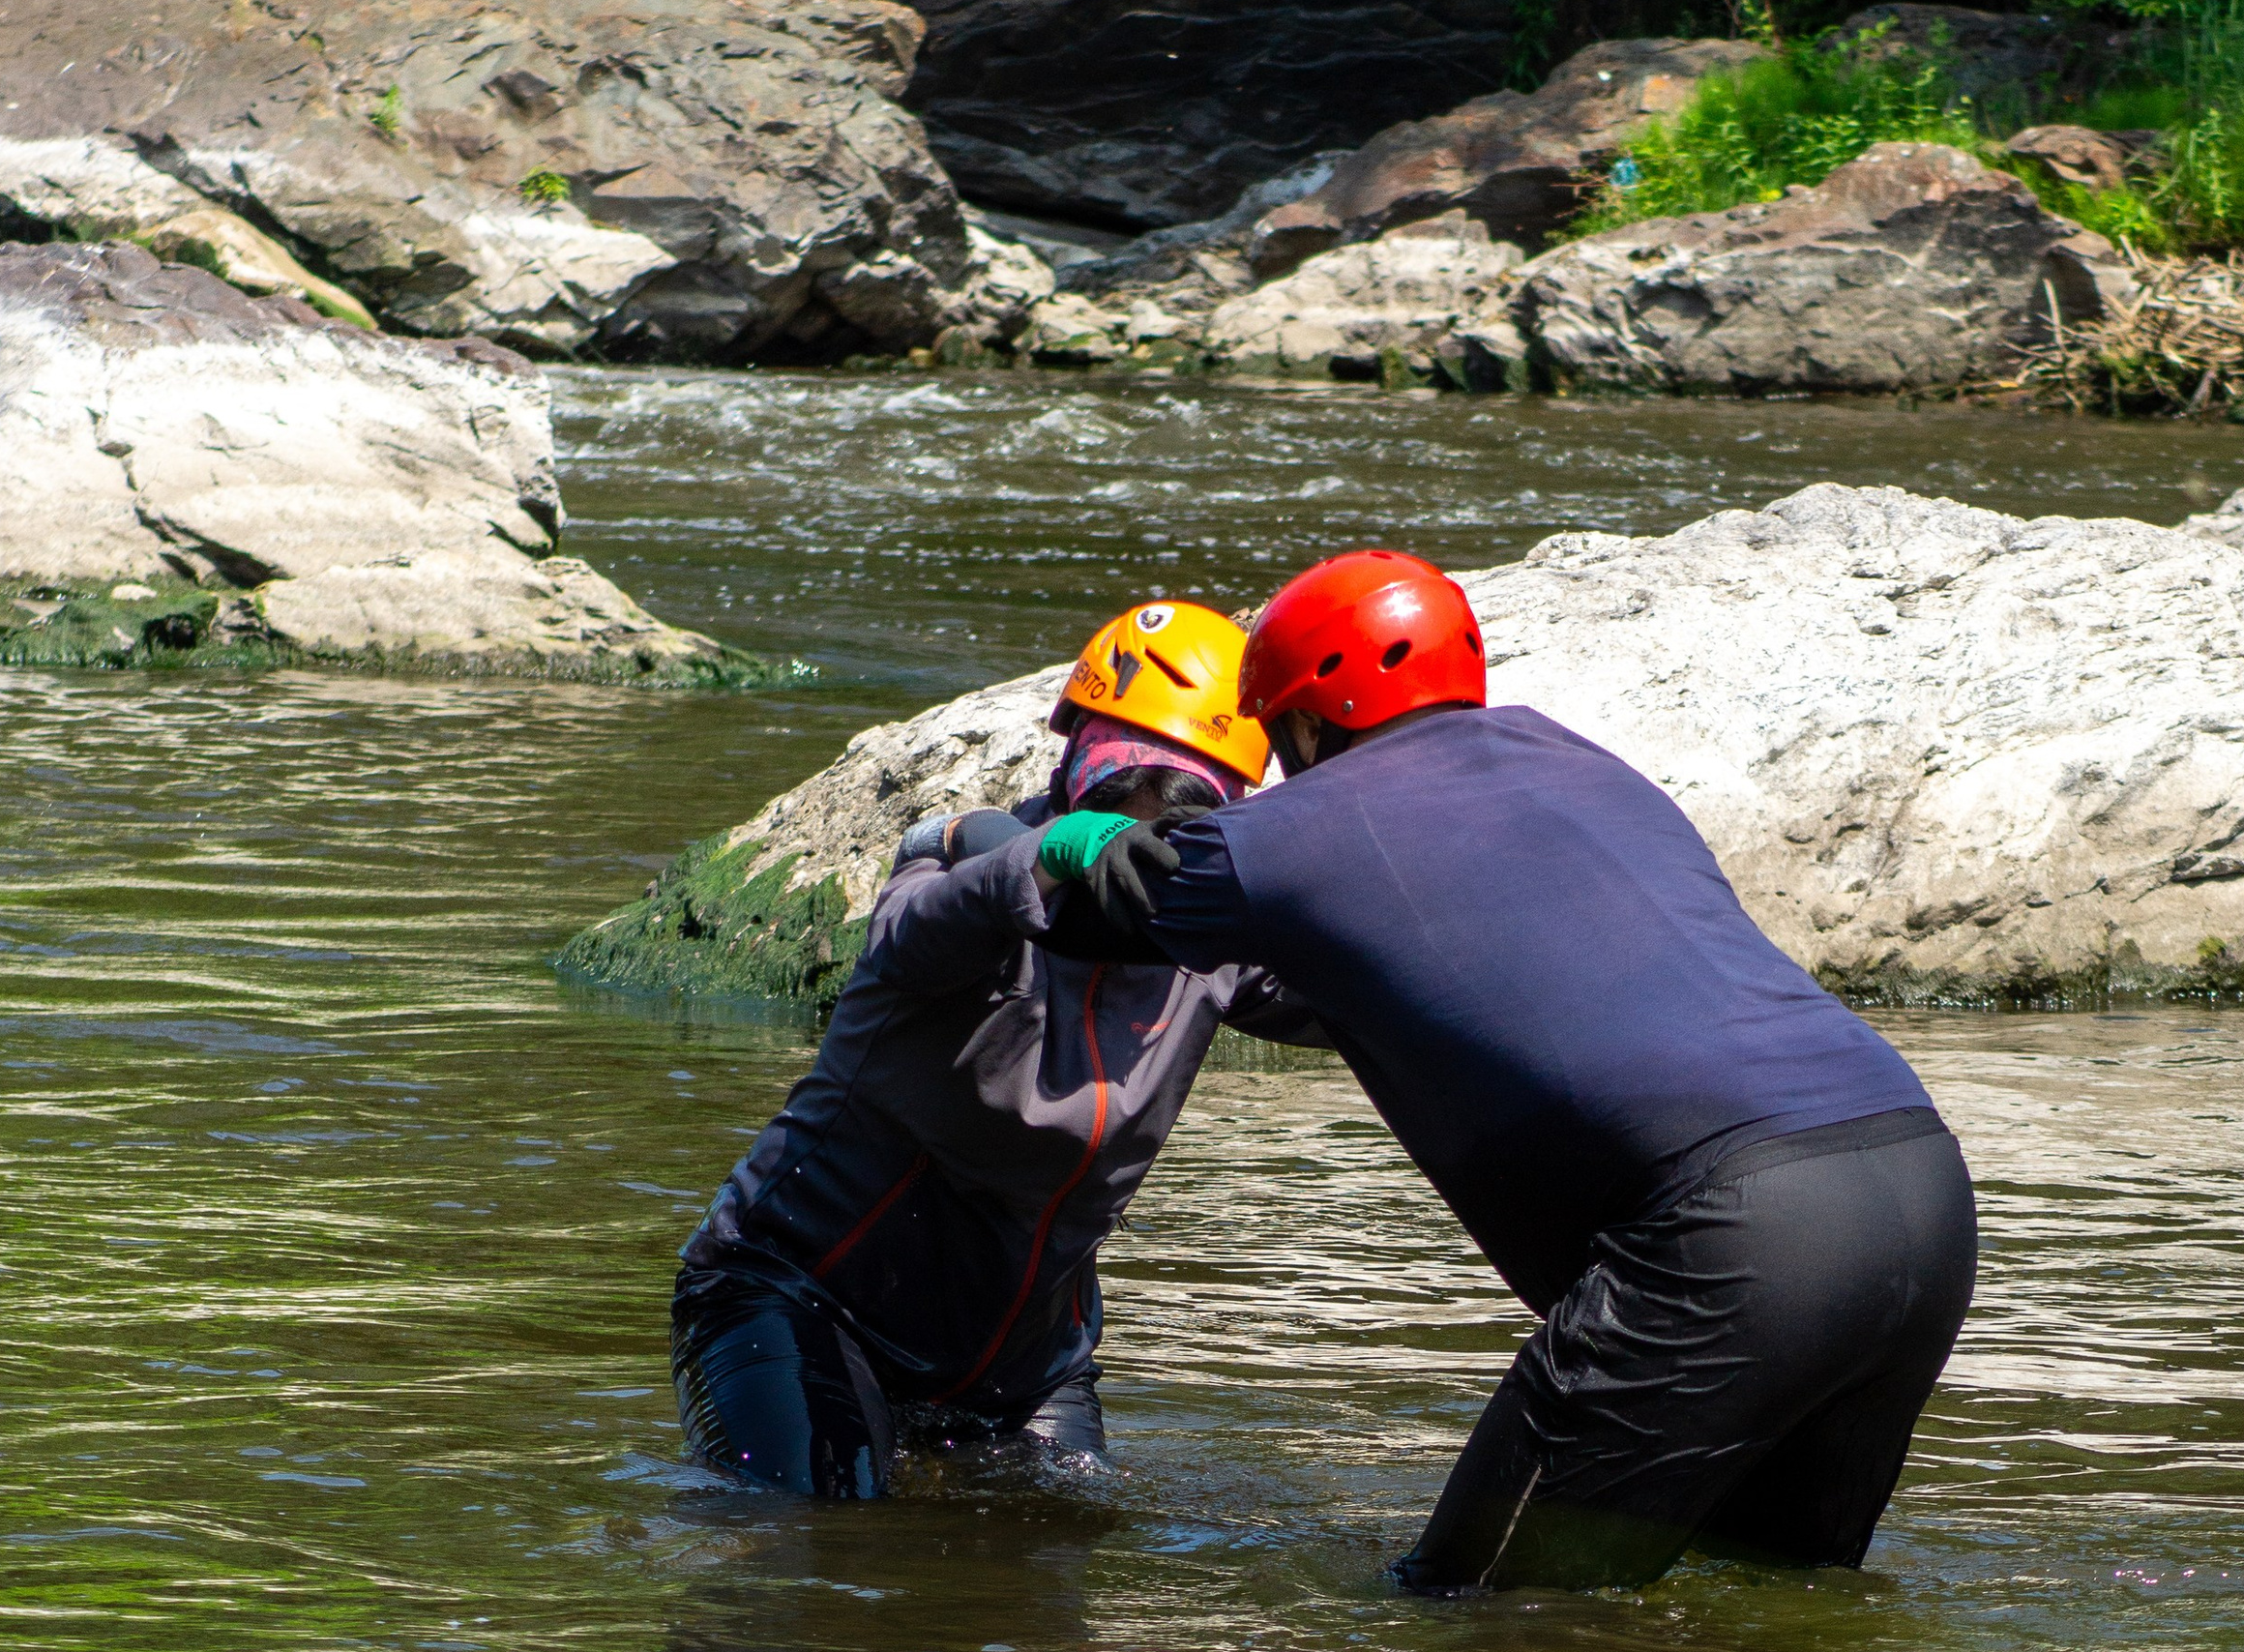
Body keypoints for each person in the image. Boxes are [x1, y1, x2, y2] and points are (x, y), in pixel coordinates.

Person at [1067, 544, 1976, 1595]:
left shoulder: (1295, 828)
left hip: (1733, 1238)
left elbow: (1106, 904)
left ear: (1308, 722)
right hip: (1918, 1190)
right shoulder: (1577, 761)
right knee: (1769, 1610)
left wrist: (1047, 829)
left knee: (1483, 1619)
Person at [670, 599, 1323, 1495]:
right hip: (796, 1297)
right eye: (1116, 797)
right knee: (806, 1549)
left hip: (1023, 1369)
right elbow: (921, 926)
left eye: (1177, 809)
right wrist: (1058, 853)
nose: (1141, 828)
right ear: (1071, 769)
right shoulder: (950, 878)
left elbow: (1375, 994)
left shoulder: (1215, 937)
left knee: (1055, 1581)